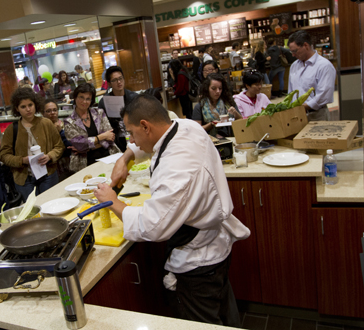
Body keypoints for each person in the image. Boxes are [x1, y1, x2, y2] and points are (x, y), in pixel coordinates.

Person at [93, 94, 249, 327]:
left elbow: (153, 225)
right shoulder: (185, 127)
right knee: (224, 312)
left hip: (198, 262)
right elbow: (154, 143)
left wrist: (112, 201)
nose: (132, 141)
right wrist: (124, 159)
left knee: (202, 322)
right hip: (215, 247)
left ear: (145, 126)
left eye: (132, 133)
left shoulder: (177, 169)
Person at [0, 88, 65, 201]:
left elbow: (59, 146)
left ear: (36, 105)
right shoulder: (12, 129)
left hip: (48, 174)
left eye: (30, 105)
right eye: (23, 107)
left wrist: (50, 156)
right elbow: (4, 156)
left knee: (52, 204)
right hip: (24, 178)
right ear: (17, 109)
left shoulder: (46, 123)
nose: (28, 109)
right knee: (32, 211)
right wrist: (22, 160)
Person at [64, 83, 120, 173]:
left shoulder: (99, 113)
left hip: (108, 156)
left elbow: (110, 138)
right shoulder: (69, 121)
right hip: (85, 163)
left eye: (88, 99)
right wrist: (101, 137)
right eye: (81, 97)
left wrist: (87, 148)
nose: (84, 101)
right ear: (75, 97)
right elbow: (80, 145)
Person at [288, 30, 336, 121]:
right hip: (297, 116)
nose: (293, 55)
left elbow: (324, 96)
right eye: (291, 52)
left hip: (317, 115)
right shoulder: (294, 66)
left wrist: (304, 107)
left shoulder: (324, 66)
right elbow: (291, 93)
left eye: (295, 51)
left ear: (306, 45)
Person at [98, 66, 138, 152]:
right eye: (115, 80)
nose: (119, 82)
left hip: (135, 137)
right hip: (115, 142)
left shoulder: (134, 97)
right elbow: (101, 126)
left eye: (120, 78)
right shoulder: (104, 102)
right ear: (109, 84)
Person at [43, 100, 73, 181]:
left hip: (68, 162)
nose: (52, 113)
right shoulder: (42, 129)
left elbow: (71, 145)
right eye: (48, 111)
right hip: (51, 165)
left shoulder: (66, 124)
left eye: (55, 110)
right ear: (43, 114)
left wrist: (61, 132)